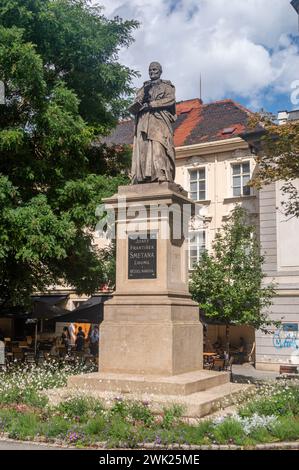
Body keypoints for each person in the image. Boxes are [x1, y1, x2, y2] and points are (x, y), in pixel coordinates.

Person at [129, 62, 177, 184]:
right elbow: (137, 101)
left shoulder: (167, 86)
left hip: (159, 120)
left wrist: (152, 104)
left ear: (160, 71)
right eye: (150, 70)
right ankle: (144, 176)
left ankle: (160, 173)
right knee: (144, 148)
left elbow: (170, 100)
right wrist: (138, 105)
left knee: (158, 145)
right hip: (144, 120)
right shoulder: (143, 88)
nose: (152, 72)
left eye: (154, 69)